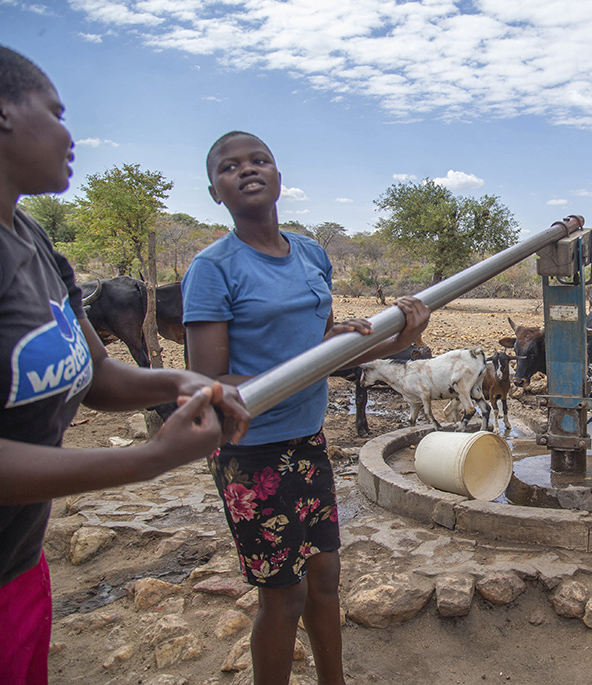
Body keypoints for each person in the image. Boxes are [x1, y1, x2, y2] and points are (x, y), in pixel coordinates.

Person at [0, 45, 252, 685]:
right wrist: (147, 461)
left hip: (18, 563)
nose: (70, 133)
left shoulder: (32, 242)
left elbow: (99, 377)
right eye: (56, 112)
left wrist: (180, 380)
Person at [183, 130, 429, 685]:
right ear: (214, 192)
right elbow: (209, 381)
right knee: (284, 597)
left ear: (277, 175)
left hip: (307, 441)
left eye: (259, 160)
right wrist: (314, 355)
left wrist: (403, 335)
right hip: (250, 453)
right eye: (229, 166)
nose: (247, 170)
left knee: (325, 580)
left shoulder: (311, 252)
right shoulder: (213, 268)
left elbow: (331, 351)